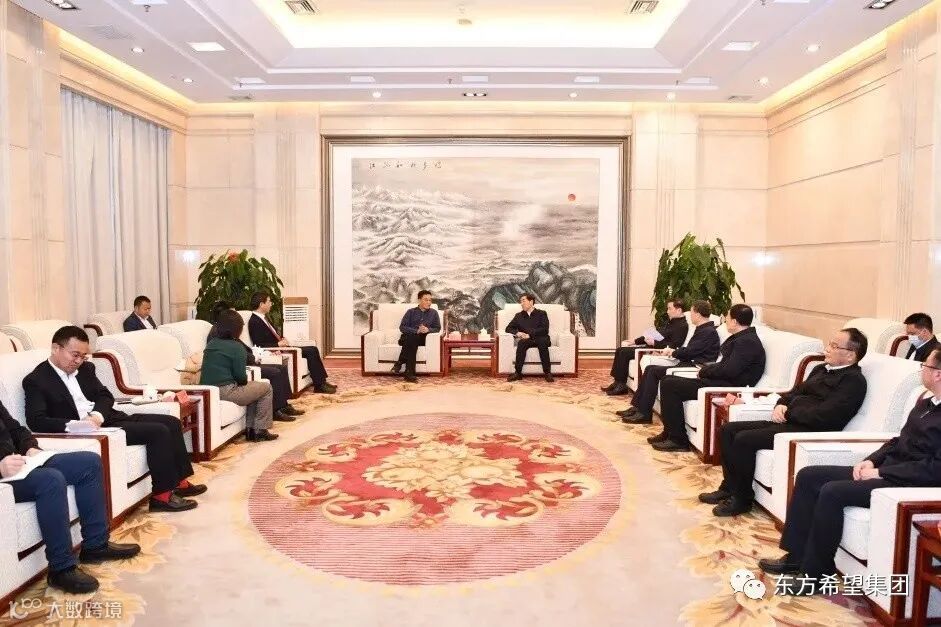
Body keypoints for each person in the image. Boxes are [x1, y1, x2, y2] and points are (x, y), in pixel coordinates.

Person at [758, 345, 941, 592]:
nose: (922, 370)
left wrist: (881, 473)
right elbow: (898, 441)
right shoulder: (926, 404)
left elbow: (935, 469)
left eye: (925, 366)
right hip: (887, 469)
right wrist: (872, 460)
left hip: (908, 482)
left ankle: (816, 576)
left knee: (832, 491)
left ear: (937, 374)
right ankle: (796, 557)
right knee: (809, 475)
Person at [24, 326, 203, 513]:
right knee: (158, 432)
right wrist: (75, 425)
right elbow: (36, 420)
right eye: (75, 355)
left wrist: (97, 415)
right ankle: (162, 497)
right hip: (89, 431)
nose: (78, 361)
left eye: (83, 356)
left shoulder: (85, 369)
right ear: (56, 348)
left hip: (107, 418)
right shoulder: (37, 380)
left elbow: (105, 396)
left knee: (171, 422)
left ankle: (179, 482)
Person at [699, 328, 868, 517]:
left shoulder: (853, 381)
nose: (827, 348)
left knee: (744, 439)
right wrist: (781, 404)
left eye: (834, 346)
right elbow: (794, 392)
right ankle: (728, 487)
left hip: (810, 431)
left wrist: (790, 413)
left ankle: (742, 499)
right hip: (790, 422)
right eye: (830, 343)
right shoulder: (820, 369)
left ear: (851, 355)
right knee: (728, 430)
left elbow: (827, 416)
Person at [0, 399, 140, 593]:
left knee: (89, 463)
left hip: (18, 464)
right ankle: (61, 569)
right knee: (50, 480)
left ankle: (96, 546)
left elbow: (16, 429)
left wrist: (29, 447)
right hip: (4, 476)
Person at [649, 304, 767, 452]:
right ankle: (670, 433)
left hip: (729, 387)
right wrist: (707, 371)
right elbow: (726, 366)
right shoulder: (743, 338)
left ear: (735, 321)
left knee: (670, 385)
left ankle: (678, 440)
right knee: (667, 381)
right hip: (721, 381)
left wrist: (705, 371)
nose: (725, 321)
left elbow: (730, 370)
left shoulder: (747, 342)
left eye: (727, 317)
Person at [618, 300, 720, 424]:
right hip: (686, 363)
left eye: (692, 312)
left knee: (653, 371)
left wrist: (672, 352)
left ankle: (644, 413)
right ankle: (639, 408)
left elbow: (690, 351)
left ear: (698, 314)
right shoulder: (702, 329)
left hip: (693, 367)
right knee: (650, 369)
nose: (690, 315)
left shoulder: (708, 331)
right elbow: (688, 349)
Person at [209, 301, 304, 422]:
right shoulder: (219, 334)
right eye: (233, 313)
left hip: (248, 362)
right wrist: (254, 358)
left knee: (281, 368)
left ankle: (283, 405)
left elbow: (244, 349)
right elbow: (238, 358)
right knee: (274, 372)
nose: (236, 316)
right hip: (245, 367)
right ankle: (276, 410)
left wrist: (262, 354)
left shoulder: (227, 332)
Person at [203, 310, 277, 442]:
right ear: (237, 329)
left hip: (208, 392)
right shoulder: (236, 347)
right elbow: (241, 378)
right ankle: (259, 430)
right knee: (266, 388)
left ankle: (251, 430)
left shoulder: (212, 343)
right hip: (227, 392)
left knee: (255, 389)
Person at [248, 291, 336, 394]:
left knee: (312, 349)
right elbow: (258, 344)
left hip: (282, 347)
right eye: (269, 301)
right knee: (311, 351)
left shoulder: (263, 318)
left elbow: (271, 335)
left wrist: (282, 339)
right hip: (275, 350)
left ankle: (321, 382)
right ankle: (319, 385)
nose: (271, 304)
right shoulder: (254, 321)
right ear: (261, 304)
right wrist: (278, 344)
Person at [601, 299, 689, 397]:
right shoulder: (671, 322)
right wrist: (635, 341)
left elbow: (674, 345)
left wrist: (654, 343)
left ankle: (621, 385)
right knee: (620, 350)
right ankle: (617, 382)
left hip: (656, 350)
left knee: (624, 353)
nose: (667, 311)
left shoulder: (682, 326)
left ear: (679, 310)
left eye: (669, 308)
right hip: (650, 346)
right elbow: (654, 334)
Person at [391, 290, 441, 383]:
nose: (429, 302)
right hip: (407, 338)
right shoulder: (411, 312)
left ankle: (400, 363)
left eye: (430, 300)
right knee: (413, 338)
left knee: (413, 339)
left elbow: (437, 328)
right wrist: (416, 331)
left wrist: (428, 329)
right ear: (419, 300)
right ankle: (409, 374)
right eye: (426, 300)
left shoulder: (433, 313)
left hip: (423, 339)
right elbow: (402, 327)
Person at [505, 293, 554, 383]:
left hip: (541, 338)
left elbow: (544, 329)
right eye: (520, 302)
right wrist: (517, 333)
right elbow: (508, 328)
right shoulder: (518, 316)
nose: (521, 304)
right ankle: (518, 373)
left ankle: (547, 373)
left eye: (523, 301)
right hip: (528, 340)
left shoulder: (542, 313)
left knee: (542, 342)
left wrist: (529, 335)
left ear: (531, 302)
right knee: (521, 343)